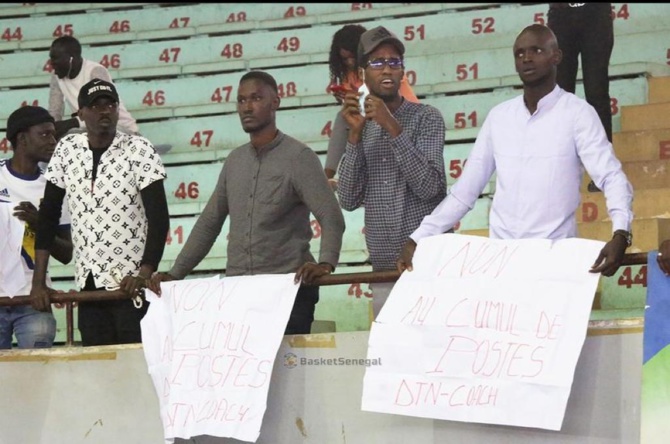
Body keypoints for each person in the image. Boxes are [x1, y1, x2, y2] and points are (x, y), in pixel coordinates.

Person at [397, 24, 633, 278]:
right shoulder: (499, 117)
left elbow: (610, 176)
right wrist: (418, 237)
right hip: (502, 263)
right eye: (519, 53)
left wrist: (621, 232)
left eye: (536, 50)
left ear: (557, 56)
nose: (526, 58)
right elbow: (464, 193)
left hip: (554, 261)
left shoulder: (578, 114)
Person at [148, 71, 345, 336]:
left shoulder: (300, 157)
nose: (246, 107)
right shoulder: (234, 161)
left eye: (255, 98)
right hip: (237, 293)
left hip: (288, 291)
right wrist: (174, 274)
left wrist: (325, 265)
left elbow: (331, 216)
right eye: (241, 101)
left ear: (276, 101)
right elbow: (209, 223)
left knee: (286, 376)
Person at [30, 78, 170, 346]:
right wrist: (39, 282)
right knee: (99, 374)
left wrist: (144, 272)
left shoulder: (139, 149)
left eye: (110, 104)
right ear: (80, 113)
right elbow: (48, 215)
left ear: (118, 110)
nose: (104, 110)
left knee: (136, 370)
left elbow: (159, 218)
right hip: (88, 288)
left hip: (131, 288)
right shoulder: (67, 150)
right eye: (95, 106)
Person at [336, 26, 447, 317]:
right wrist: (355, 136)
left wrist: (392, 127)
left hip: (428, 264)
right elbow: (347, 199)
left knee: (434, 355)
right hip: (383, 269)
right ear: (363, 74)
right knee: (392, 357)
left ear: (402, 72)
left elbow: (430, 188)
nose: (386, 69)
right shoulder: (359, 124)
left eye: (393, 62)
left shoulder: (427, 117)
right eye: (377, 62)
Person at [0, 106, 72, 349]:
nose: (53, 141)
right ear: (22, 139)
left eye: (54, 135)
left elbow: (66, 253)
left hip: (34, 298)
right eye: (45, 134)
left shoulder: (54, 187)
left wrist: (42, 224)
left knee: (36, 380)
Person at [323, 24, 419, 188]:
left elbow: (395, 101)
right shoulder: (349, 75)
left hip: (398, 118)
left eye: (352, 57)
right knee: (346, 118)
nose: (350, 62)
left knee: (346, 120)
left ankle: (329, 177)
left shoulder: (383, 69)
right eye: (345, 59)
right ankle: (328, 179)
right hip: (370, 119)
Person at [547, 3, 614, 192]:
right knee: (559, 97)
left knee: (597, 91)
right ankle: (559, 171)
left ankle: (604, 172)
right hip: (561, 14)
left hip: (596, 13)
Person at [48, 35, 140, 139]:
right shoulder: (57, 77)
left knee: (73, 135)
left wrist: (75, 122)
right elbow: (54, 111)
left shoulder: (95, 71)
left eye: (56, 63)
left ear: (71, 59)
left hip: (121, 129)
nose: (53, 67)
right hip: (90, 128)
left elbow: (105, 111)